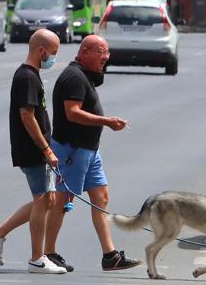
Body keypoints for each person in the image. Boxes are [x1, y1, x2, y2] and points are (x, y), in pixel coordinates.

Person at [0, 29, 73, 274]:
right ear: (41, 51)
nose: (53, 58)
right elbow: (26, 115)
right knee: (44, 200)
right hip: (33, 150)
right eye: (53, 53)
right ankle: (36, 259)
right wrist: (46, 148)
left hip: (39, 149)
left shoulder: (31, 75)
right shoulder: (27, 77)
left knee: (47, 199)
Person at [49, 34, 140, 272]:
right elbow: (73, 113)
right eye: (101, 51)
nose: (105, 57)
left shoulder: (85, 76)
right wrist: (106, 121)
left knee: (101, 198)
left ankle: (110, 256)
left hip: (89, 150)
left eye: (107, 52)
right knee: (62, 200)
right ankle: (48, 252)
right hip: (73, 149)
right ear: (84, 52)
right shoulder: (74, 77)